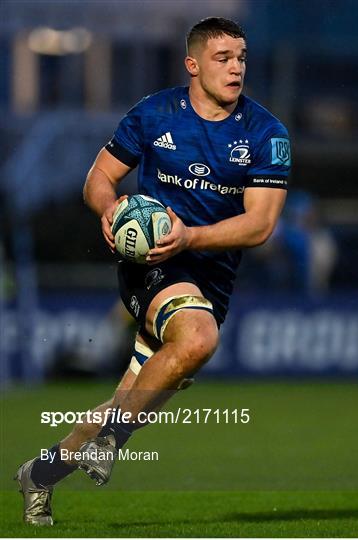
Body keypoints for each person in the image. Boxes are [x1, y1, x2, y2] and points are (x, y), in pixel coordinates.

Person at [15, 16, 291, 525]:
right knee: (199, 339)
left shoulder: (266, 133)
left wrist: (190, 236)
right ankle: (111, 442)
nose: (236, 68)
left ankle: (42, 473)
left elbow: (260, 225)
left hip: (211, 276)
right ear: (193, 64)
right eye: (223, 58)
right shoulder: (155, 113)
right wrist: (108, 209)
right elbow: (99, 177)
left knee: (132, 395)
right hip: (150, 265)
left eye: (242, 58)